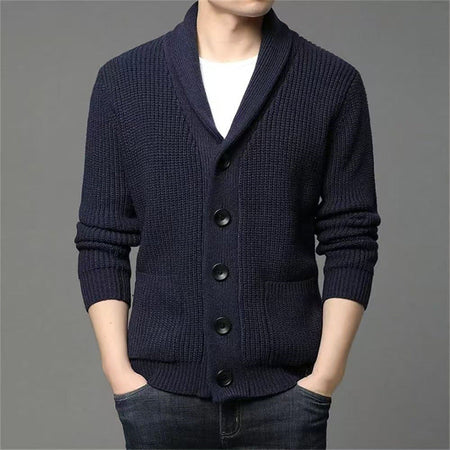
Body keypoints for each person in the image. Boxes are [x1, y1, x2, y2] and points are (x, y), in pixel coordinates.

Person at [74, 0, 381, 448]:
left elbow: (351, 236)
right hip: (159, 397)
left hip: (287, 398)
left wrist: (324, 377)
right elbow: (102, 238)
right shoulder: (124, 82)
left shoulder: (331, 82)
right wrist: (119, 373)